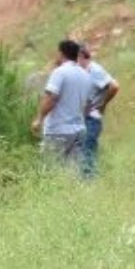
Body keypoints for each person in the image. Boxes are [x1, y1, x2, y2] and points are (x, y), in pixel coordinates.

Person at [32, 39, 91, 173]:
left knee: (50, 173)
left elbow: (51, 97)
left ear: (61, 53)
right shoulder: (85, 75)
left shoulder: (59, 72)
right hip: (79, 130)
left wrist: (39, 119)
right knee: (73, 174)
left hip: (58, 130)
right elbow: (87, 104)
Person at [79, 44, 119, 179]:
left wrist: (102, 105)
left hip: (91, 119)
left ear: (81, 56)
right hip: (84, 118)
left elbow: (114, 86)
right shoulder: (84, 71)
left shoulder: (94, 70)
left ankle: (89, 185)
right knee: (83, 153)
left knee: (87, 152)